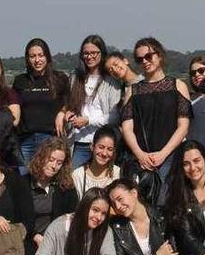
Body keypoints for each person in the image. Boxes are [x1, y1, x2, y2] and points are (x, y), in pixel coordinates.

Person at [120, 37, 192, 206]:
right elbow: (127, 128)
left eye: (149, 56)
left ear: (159, 56)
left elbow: (184, 127)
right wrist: (140, 155)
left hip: (171, 156)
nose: (145, 61)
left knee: (169, 204)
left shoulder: (178, 86)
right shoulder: (132, 91)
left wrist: (163, 154)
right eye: (139, 59)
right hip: (141, 158)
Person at [12, 38, 70, 174]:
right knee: (24, 180)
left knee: (47, 178)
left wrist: (62, 111)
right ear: (27, 59)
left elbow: (71, 101)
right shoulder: (20, 81)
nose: (37, 60)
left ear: (47, 56)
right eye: (32, 56)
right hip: (25, 140)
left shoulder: (60, 78)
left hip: (50, 139)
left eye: (40, 55)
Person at [63, 35, 122, 168]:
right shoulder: (74, 77)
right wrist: (68, 113)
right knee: (74, 181)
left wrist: (88, 120)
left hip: (103, 145)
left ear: (102, 53)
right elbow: (69, 105)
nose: (89, 57)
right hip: (79, 142)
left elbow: (115, 116)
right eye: (86, 53)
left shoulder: (111, 80)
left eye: (94, 53)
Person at [27, 137, 79, 255]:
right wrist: (35, 236)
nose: (54, 166)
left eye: (59, 162)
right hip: (29, 240)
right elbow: (19, 219)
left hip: (57, 243)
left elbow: (72, 216)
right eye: (51, 160)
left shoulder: (66, 187)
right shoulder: (24, 183)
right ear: (41, 158)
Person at [70, 125, 121, 198]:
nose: (104, 153)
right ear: (92, 146)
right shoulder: (78, 175)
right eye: (101, 147)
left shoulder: (118, 174)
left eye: (109, 149)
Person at [187, 55, 205, 150]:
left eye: (201, 70)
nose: (197, 75)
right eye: (193, 73)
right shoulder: (188, 101)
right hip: (197, 154)